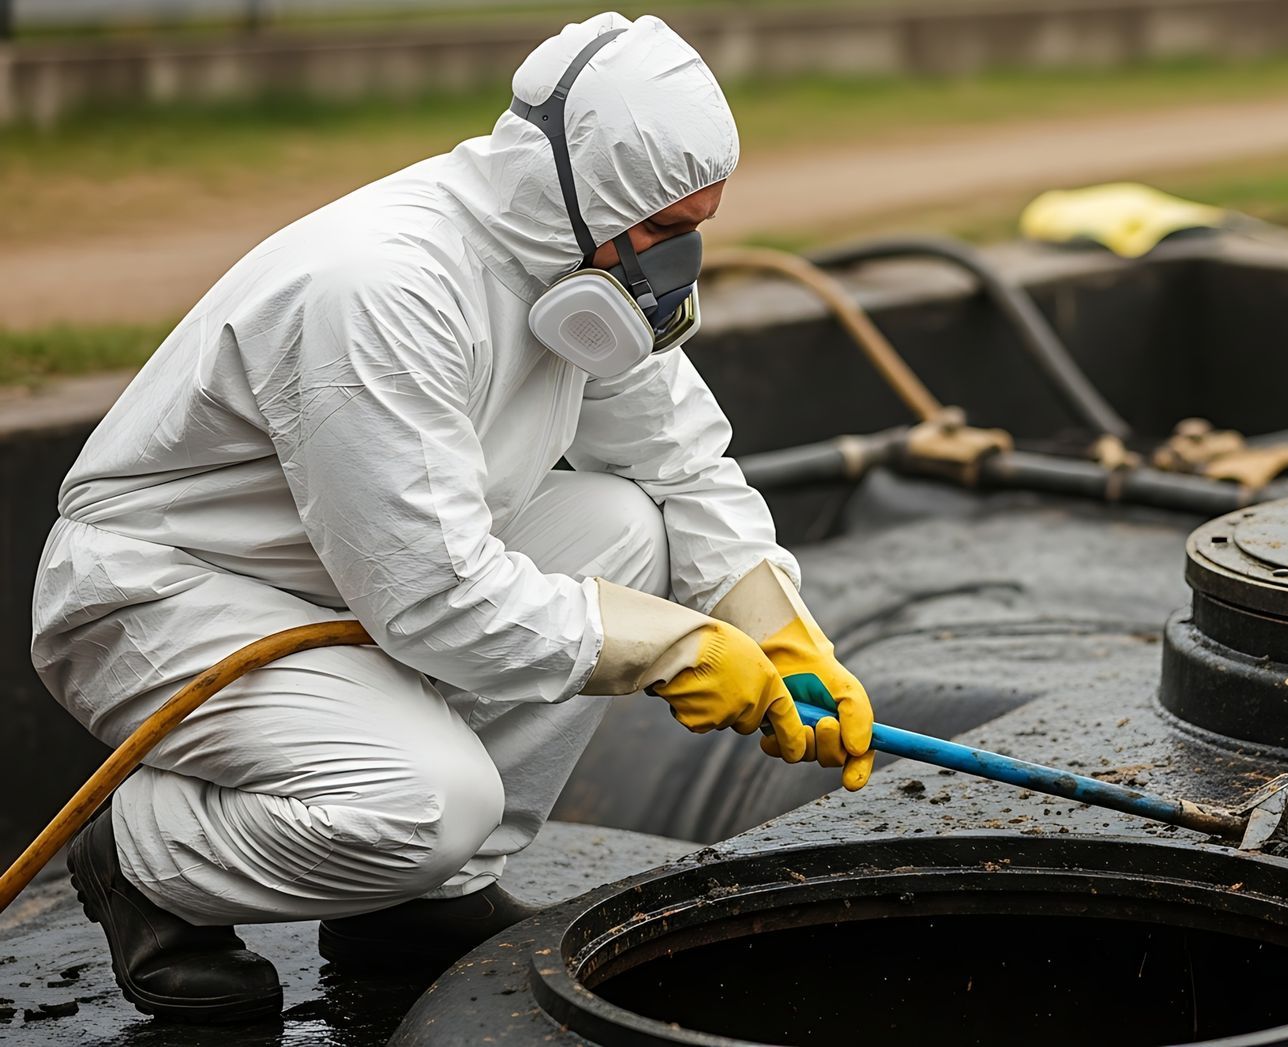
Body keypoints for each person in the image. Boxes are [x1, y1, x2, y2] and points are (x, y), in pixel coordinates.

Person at [29, 13, 872, 1026]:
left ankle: (422, 902)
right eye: (656, 231)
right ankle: (147, 858)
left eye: (693, 227)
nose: (673, 259)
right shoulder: (384, 285)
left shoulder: (576, 265)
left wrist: (780, 627)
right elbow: (431, 597)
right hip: (173, 594)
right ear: (582, 188)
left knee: (626, 525)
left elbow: (680, 460)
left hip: (342, 574)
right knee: (428, 804)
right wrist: (673, 650)